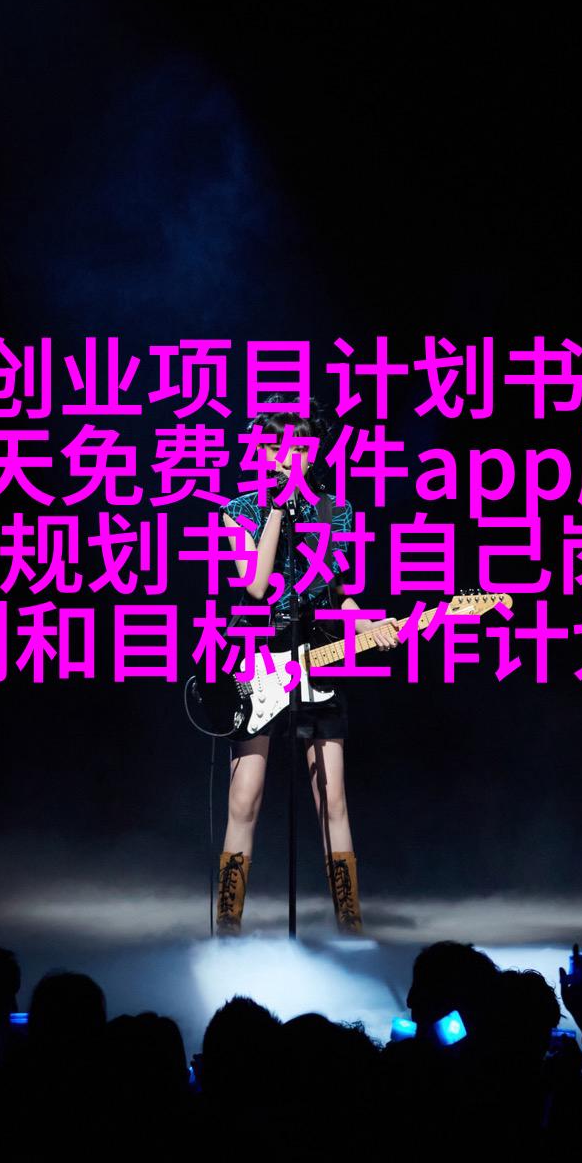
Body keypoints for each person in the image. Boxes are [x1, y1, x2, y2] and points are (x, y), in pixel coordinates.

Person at [214, 398, 398, 935]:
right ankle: (228, 921)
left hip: (318, 658)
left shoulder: (334, 513)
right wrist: (276, 509)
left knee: (332, 798)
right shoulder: (238, 510)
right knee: (244, 796)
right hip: (258, 657)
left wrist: (371, 625)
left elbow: (339, 592)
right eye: (272, 446)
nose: (282, 455)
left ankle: (350, 921)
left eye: (294, 445)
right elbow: (255, 584)